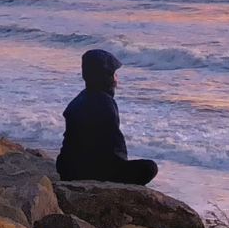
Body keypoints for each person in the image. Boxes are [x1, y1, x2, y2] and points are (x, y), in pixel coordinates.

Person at [56, 48, 158, 184]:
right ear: (106, 75)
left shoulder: (79, 99)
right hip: (90, 171)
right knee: (150, 167)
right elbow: (113, 148)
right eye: (114, 73)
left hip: (68, 168)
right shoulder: (104, 103)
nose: (116, 77)